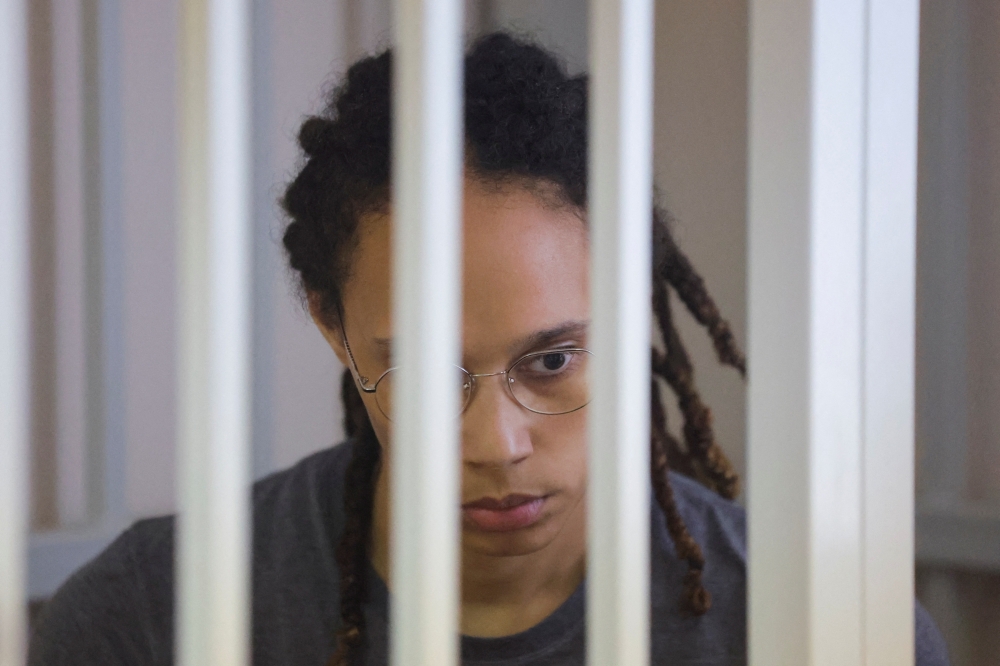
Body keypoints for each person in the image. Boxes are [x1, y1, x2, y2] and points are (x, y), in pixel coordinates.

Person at [29, 33, 949, 666]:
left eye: (552, 360)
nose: (496, 444)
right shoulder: (150, 620)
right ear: (330, 325)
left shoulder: (829, 628)